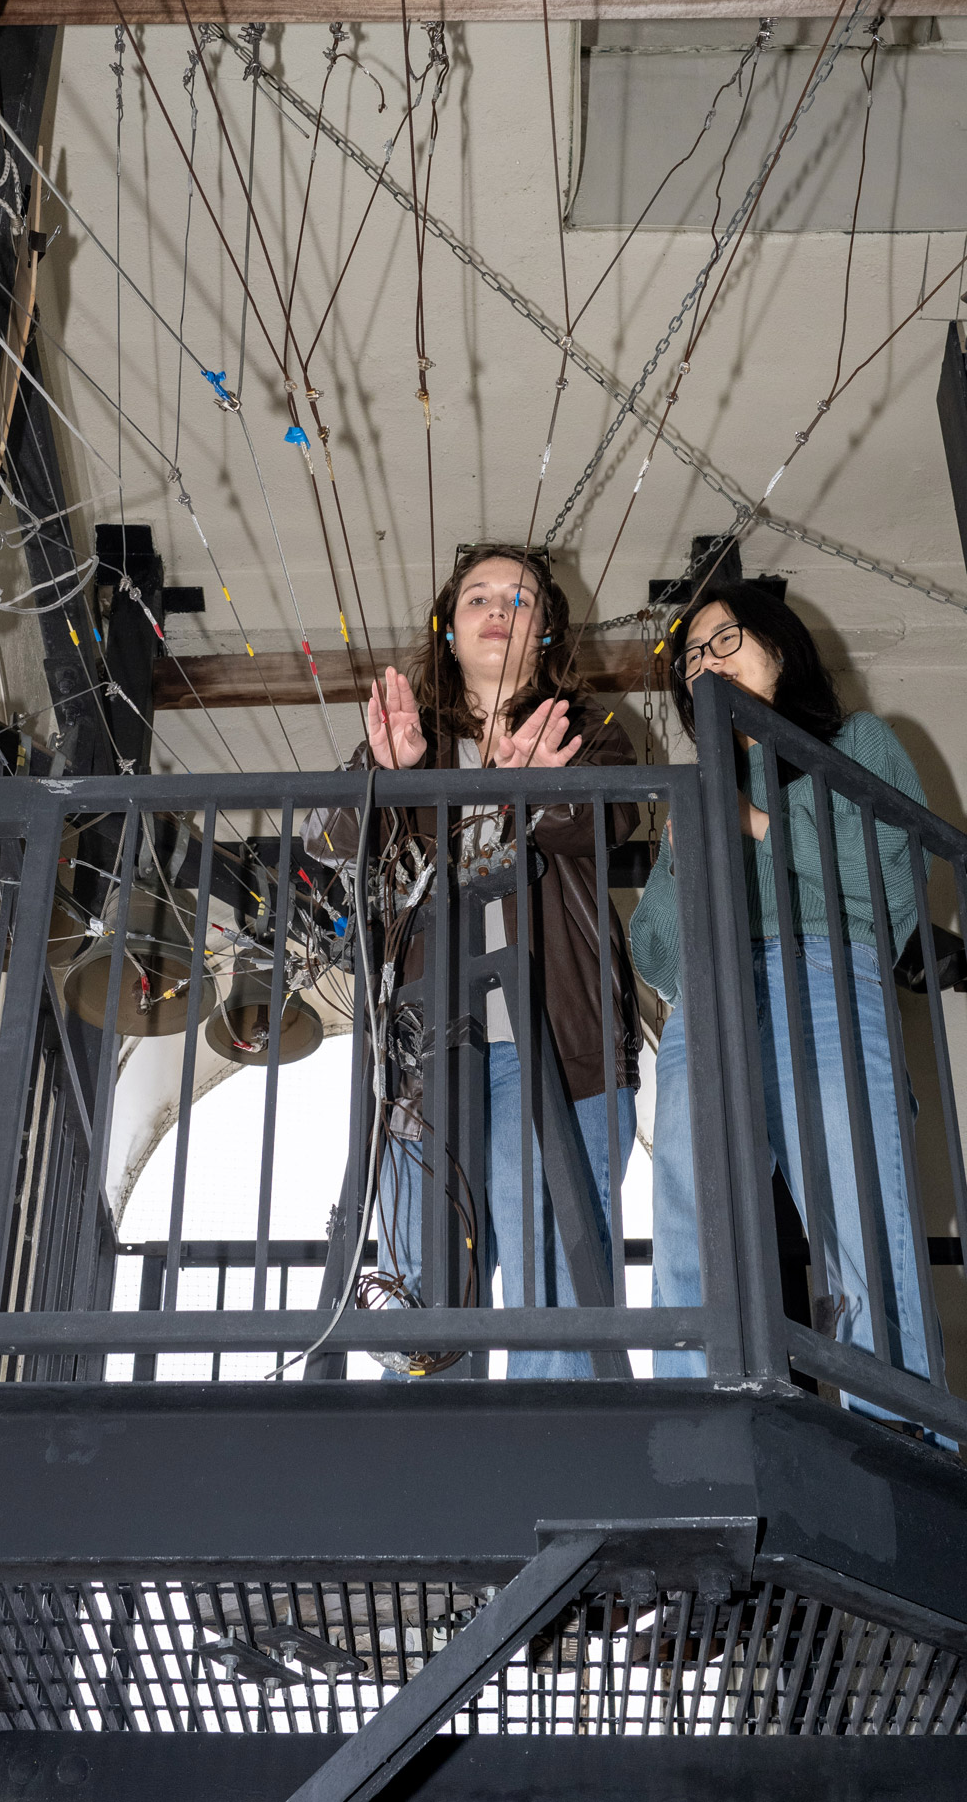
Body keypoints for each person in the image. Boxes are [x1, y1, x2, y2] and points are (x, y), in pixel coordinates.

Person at [308, 544, 640, 1379]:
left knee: (553, 1288)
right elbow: (340, 847)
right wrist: (388, 776)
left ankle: (557, 1481)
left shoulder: (586, 729)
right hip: (427, 1057)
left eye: (520, 599)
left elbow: (610, 822)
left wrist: (528, 786)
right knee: (425, 1298)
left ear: (550, 630)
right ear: (448, 632)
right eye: (477, 597)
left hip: (561, 1052)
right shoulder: (406, 743)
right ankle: (416, 1491)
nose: (497, 608)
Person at [630, 584, 934, 1406]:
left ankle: (897, 1428)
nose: (703, 661)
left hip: (827, 977)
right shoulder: (700, 791)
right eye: (691, 655)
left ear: (781, 647)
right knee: (693, 1224)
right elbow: (655, 950)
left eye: (722, 641)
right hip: (706, 998)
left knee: (856, 1217)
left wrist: (753, 820)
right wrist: (693, 836)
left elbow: (888, 870)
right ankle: (698, 1422)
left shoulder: (857, 741)